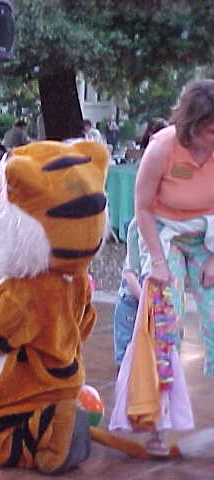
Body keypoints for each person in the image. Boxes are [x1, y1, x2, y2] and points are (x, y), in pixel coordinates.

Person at [131, 79, 214, 454]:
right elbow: (143, 207)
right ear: (193, 124)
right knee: (167, 323)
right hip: (164, 233)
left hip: (208, 234)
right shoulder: (163, 147)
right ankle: (156, 427)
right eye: (211, 129)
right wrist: (159, 263)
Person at [112, 218, 142, 368]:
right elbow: (130, 277)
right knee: (125, 345)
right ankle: (123, 374)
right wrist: (144, 299)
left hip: (147, 302)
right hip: (130, 303)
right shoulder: (136, 232)